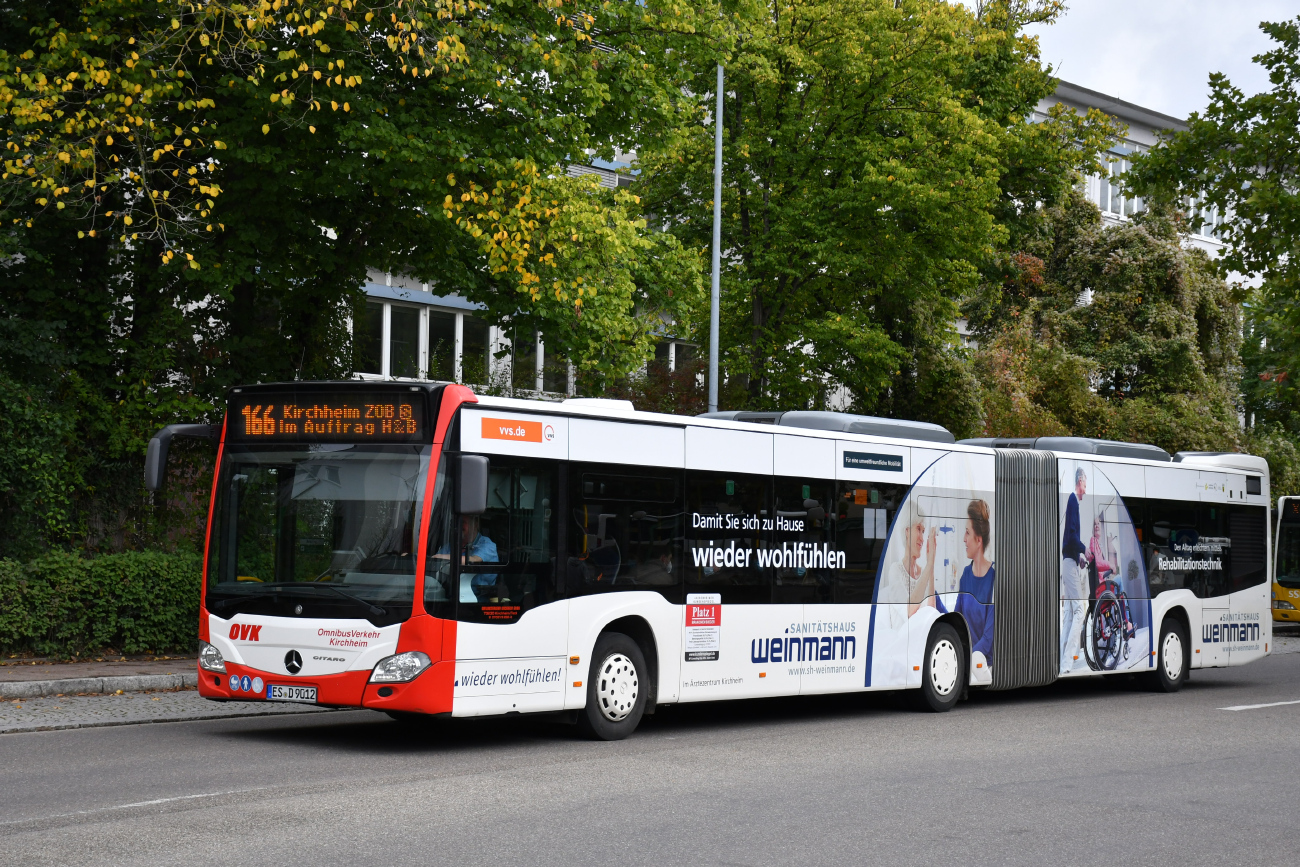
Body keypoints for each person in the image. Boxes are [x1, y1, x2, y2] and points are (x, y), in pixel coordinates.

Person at [937, 499, 995, 661]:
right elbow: (957, 621)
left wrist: (965, 659)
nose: (964, 538)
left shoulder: (994, 578)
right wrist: (934, 596)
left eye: (967, 533)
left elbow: (987, 640)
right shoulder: (966, 575)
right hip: (968, 661)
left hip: (985, 665)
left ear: (979, 540)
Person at [433, 515, 499, 603]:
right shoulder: (451, 545)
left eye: (463, 522)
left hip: (477, 601)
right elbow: (434, 563)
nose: (458, 526)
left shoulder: (487, 544)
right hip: (450, 598)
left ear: (475, 524)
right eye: (456, 522)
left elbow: (473, 560)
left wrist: (439, 557)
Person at [1061, 467, 1088, 671]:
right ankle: (1067, 662)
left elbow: (1070, 539)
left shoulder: (1072, 502)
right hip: (1069, 564)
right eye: (1085, 485)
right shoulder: (1073, 501)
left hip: (1070, 561)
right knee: (1080, 609)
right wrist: (1084, 550)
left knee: (1070, 613)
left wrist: (1079, 557)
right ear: (1080, 481)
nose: (1086, 490)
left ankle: (1062, 661)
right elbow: (1071, 537)